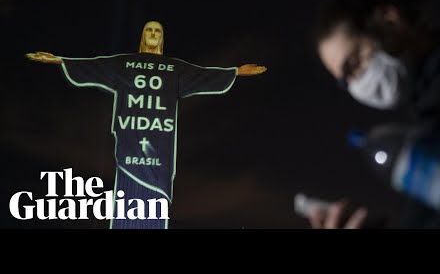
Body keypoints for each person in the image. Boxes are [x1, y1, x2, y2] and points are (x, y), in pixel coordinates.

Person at [26, 20, 267, 229]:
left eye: (157, 31)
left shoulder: (174, 69)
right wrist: (60, 61)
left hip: (159, 156)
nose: (153, 35)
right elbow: (96, 65)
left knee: (154, 209)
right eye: (149, 31)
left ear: (162, 38)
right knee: (125, 205)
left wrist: (234, 72)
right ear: (143, 36)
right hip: (129, 151)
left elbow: (202, 75)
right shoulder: (125, 64)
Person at [310, 0, 440, 229]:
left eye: (353, 64)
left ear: (390, 20)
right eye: (345, 81)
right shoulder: (430, 122)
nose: (356, 86)